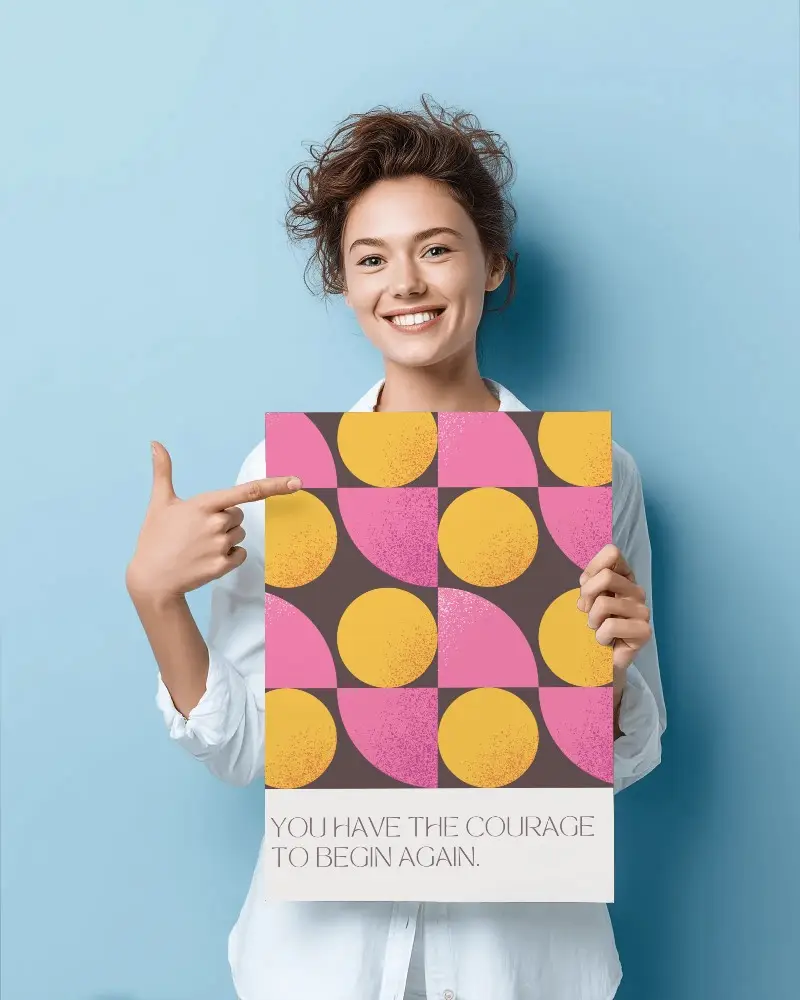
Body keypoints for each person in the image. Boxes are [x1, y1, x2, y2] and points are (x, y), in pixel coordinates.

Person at [126, 96, 666, 1000]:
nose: (405, 283)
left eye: (437, 249)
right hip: (320, 964)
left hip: (520, 966)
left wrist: (602, 684)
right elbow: (246, 748)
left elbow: (627, 762)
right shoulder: (286, 478)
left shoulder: (596, 477)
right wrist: (156, 599)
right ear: (345, 285)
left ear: (493, 263)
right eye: (371, 258)